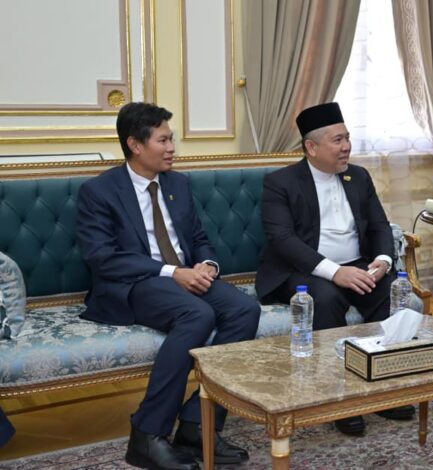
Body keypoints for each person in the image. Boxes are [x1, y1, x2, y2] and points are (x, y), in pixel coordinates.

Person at [77, 102, 261, 470]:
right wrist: (172, 272)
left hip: (184, 275)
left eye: (172, 139)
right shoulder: (99, 191)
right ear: (135, 145)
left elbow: (198, 238)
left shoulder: (178, 184)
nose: (172, 148)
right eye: (162, 140)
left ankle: (197, 423)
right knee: (198, 315)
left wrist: (207, 265)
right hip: (134, 283)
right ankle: (147, 434)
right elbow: (102, 258)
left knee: (245, 309)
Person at [255, 102, 414, 435]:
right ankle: (338, 397)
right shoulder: (280, 182)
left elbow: (380, 225)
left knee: (390, 292)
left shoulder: (359, 176)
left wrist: (383, 261)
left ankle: (383, 388)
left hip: (358, 265)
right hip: (303, 271)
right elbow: (283, 240)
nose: (346, 147)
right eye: (337, 140)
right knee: (325, 298)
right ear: (311, 147)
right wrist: (334, 271)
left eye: (347, 138)